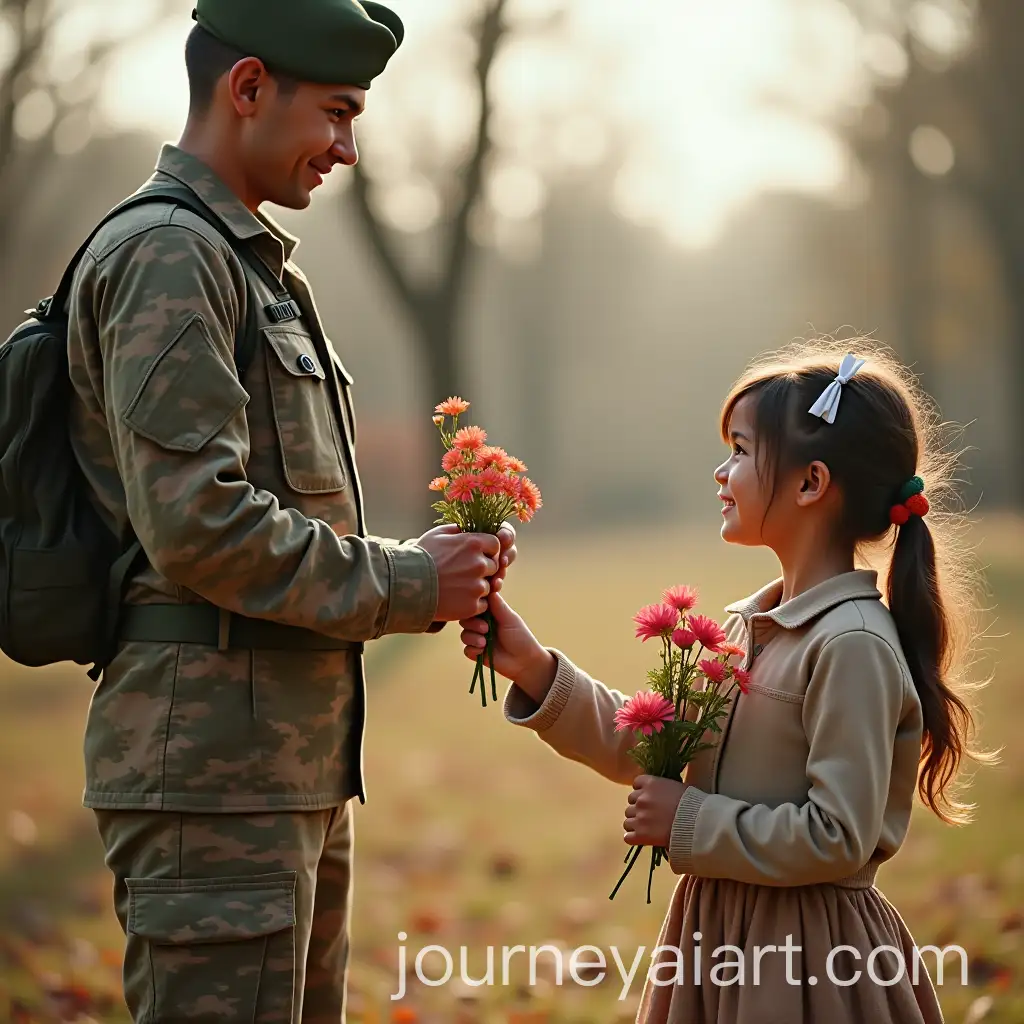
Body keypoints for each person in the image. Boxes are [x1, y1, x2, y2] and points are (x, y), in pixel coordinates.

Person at [66, 1, 515, 1020]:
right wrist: (410, 581)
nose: (349, 149)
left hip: (274, 774)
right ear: (249, 88)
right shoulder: (172, 255)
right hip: (210, 785)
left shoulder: (239, 258)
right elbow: (198, 524)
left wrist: (430, 567)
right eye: (339, 112)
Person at [461, 340, 993, 1023]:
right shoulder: (752, 629)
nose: (722, 471)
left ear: (811, 483)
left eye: (741, 451)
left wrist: (690, 820)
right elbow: (646, 745)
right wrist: (535, 667)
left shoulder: (852, 645)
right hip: (717, 941)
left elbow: (839, 836)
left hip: (808, 964)